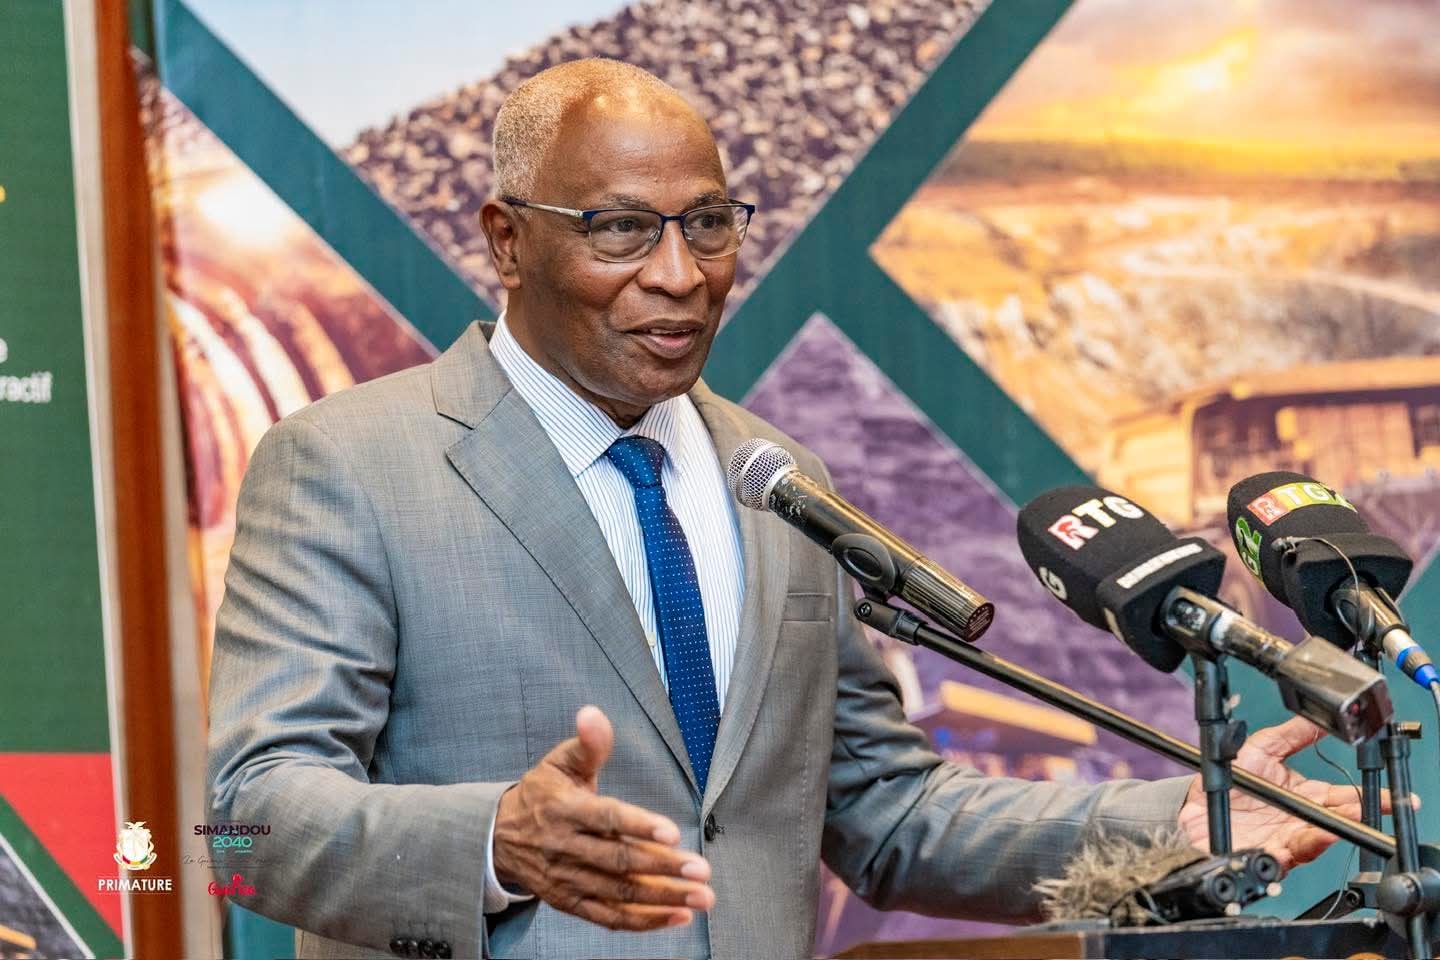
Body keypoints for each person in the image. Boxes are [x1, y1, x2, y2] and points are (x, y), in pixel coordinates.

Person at [207, 59, 1378, 960]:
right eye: (620, 228)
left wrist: (1172, 822)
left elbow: (886, 812)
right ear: (507, 242)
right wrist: (493, 844)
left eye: (708, 223)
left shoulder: (776, 477)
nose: (679, 274)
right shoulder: (348, 465)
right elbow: (244, 822)